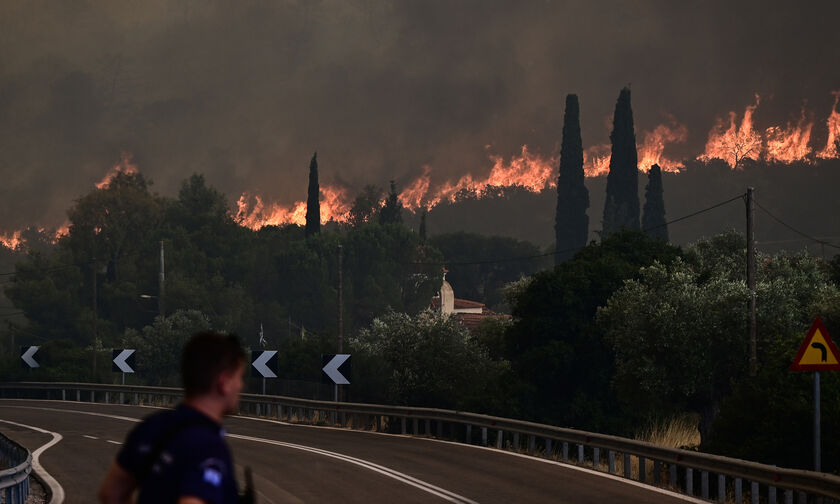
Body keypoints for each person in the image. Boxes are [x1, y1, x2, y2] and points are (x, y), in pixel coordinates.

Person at [98, 331, 249, 504]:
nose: (241, 385)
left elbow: (111, 493)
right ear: (223, 383)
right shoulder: (209, 446)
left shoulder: (153, 425)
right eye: (239, 377)